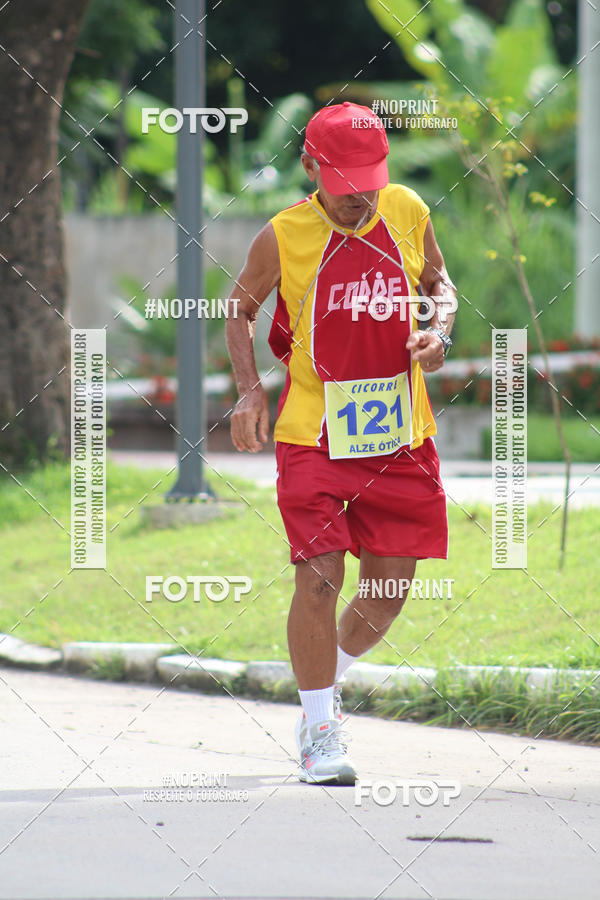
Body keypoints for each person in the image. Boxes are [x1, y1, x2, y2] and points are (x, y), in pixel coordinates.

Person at [225, 101, 456, 785]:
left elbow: (440, 282)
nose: (358, 194)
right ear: (310, 167)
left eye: (369, 178)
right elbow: (237, 310)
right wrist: (249, 389)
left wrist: (440, 330)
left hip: (399, 436)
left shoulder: (408, 209)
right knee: (320, 574)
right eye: (344, 179)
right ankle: (322, 728)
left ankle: (316, 692)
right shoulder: (283, 236)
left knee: (386, 594)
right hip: (313, 435)